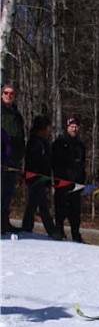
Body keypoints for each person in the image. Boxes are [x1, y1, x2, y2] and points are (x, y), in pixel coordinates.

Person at [21, 116, 60, 238]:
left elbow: (47, 162)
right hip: (35, 178)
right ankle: (51, 230)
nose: (48, 131)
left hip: (43, 178)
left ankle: (27, 226)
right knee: (41, 205)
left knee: (34, 204)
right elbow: (33, 161)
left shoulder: (45, 143)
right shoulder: (34, 142)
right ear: (41, 129)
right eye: (47, 128)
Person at [52, 117, 86, 242]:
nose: (74, 128)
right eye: (72, 126)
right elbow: (54, 162)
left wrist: (82, 180)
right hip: (62, 181)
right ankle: (59, 231)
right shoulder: (59, 142)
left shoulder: (81, 145)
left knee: (75, 211)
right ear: (67, 127)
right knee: (60, 208)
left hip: (76, 182)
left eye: (76, 126)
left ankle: (76, 234)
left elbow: (82, 163)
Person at [1, 84, 25, 234]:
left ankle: (4, 222)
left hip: (13, 159)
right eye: (6, 93)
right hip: (1, 157)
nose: (9, 95)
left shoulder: (17, 115)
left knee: (8, 192)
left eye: (11, 93)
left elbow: (21, 135)